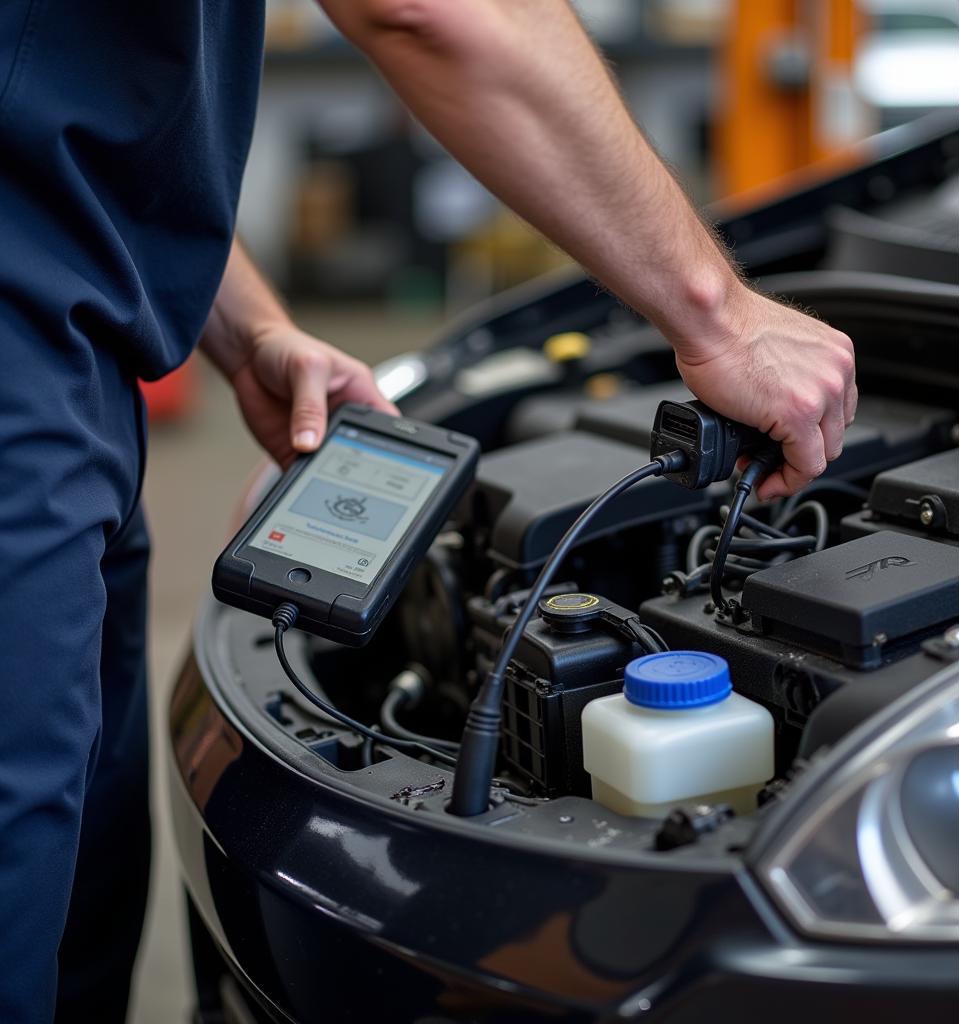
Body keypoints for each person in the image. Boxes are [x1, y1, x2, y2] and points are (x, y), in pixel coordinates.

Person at [0, 1, 856, 1020]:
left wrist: (249, 330)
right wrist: (721, 316)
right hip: (20, 369)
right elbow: (428, 9)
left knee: (68, 933)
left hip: (67, 368)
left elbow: (65, 119)